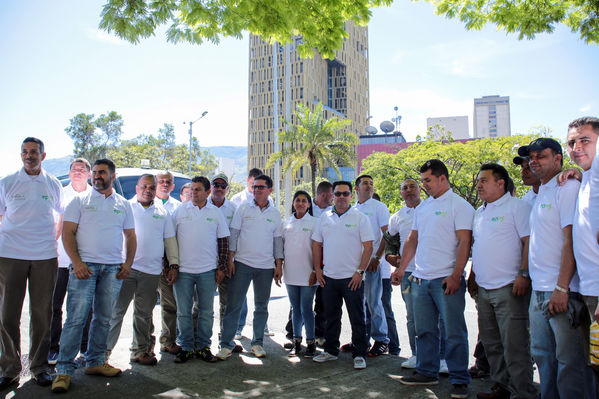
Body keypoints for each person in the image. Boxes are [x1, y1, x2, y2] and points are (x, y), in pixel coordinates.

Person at [52, 159, 136, 393]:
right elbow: (67, 233)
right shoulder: (79, 201)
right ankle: (64, 370)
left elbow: (130, 236)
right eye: (95, 173)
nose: (97, 176)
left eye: (102, 172)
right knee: (76, 319)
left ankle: (96, 361)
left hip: (112, 269)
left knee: (104, 318)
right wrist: (76, 262)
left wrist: (127, 264)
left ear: (113, 175)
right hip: (84, 268)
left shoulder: (123, 204)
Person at [392, 159, 473, 399]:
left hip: (446, 279)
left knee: (454, 332)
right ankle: (427, 371)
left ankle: (459, 378)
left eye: (427, 180)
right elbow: (412, 240)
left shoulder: (460, 206)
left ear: (442, 178)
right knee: (424, 330)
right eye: (423, 180)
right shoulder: (423, 208)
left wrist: (456, 274)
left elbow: (465, 242)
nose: (424, 185)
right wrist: (401, 269)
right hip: (420, 279)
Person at [521, 138, 595, 398]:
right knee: (544, 357)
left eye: (541, 156)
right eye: (531, 156)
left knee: (570, 362)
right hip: (539, 290)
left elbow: (570, 240)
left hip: (563, 292)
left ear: (558, 159)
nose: (534, 161)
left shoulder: (568, 187)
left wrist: (562, 287)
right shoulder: (543, 191)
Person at [0, 137, 63, 389]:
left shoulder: (54, 184)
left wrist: (50, 240)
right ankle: (9, 369)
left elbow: (61, 217)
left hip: (45, 257)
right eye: (25, 152)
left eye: (34, 152)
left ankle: (38, 367)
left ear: (43, 155)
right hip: (10, 256)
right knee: (7, 315)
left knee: (42, 314)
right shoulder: (7, 182)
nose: (29, 156)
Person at [470, 163, 537, 399]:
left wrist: (523, 274)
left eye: (484, 180)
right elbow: (479, 247)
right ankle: (501, 387)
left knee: (515, 346)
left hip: (510, 287)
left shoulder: (518, 207)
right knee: (492, 345)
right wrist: (474, 277)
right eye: (478, 180)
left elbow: (529, 242)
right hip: (485, 290)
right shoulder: (480, 211)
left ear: (500, 183)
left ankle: (523, 393)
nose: (478, 185)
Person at [106, 174, 178, 366]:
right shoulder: (125, 207)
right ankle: (102, 354)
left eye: (151, 187)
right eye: (144, 186)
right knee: (116, 312)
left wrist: (173, 265)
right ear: (137, 188)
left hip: (152, 272)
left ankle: (139, 351)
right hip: (126, 269)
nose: (148, 190)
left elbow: (169, 241)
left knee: (144, 314)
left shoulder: (163, 212)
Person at [216, 174, 283, 360]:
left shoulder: (276, 214)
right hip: (242, 264)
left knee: (261, 306)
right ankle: (226, 344)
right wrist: (230, 260)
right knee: (233, 305)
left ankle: (257, 343)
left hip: (265, 267)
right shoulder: (243, 208)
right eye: (255, 187)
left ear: (269, 190)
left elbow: (278, 241)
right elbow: (234, 235)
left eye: (261, 187)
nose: (257, 190)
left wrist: (279, 265)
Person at [311, 180, 374, 370]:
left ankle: (359, 353)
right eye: (337, 194)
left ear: (351, 195)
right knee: (330, 316)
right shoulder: (324, 217)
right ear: (332, 196)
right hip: (329, 277)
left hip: (352, 278)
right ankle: (331, 351)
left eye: (345, 194)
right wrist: (318, 269)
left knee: (357, 318)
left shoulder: (360, 218)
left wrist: (359, 272)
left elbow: (368, 247)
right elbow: (316, 244)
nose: (341, 197)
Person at [387, 178, 448, 369]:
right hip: (408, 273)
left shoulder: (431, 208)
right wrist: (392, 257)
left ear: (420, 189)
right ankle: (417, 355)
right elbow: (389, 239)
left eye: (413, 186)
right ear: (401, 193)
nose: (409, 190)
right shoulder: (396, 217)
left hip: (433, 271)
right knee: (413, 317)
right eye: (404, 188)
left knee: (439, 317)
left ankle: (443, 357)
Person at [171, 176, 230, 363]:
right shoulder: (180, 211)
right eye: (192, 190)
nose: (193, 193)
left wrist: (221, 267)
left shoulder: (215, 212)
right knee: (183, 311)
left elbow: (223, 241)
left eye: (198, 190)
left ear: (207, 192)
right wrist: (171, 266)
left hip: (208, 271)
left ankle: (204, 346)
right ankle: (186, 347)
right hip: (183, 271)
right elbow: (170, 240)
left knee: (206, 311)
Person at [564, 117, 599, 391]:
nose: (576, 147)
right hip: (587, 290)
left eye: (584, 140)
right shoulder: (587, 176)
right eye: (572, 142)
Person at [48, 158, 93, 366]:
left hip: (86, 262)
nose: (78, 172)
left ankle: (85, 348)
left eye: (82, 169)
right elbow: (53, 225)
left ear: (89, 174)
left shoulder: (95, 196)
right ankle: (52, 348)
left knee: (85, 308)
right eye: (74, 169)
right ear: (69, 172)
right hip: (60, 261)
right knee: (54, 306)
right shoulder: (60, 194)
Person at [341, 175, 390, 357]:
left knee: (373, 303)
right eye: (365, 183)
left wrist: (377, 258)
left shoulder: (379, 207)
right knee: (357, 305)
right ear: (356, 189)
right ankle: (360, 340)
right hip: (354, 266)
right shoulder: (352, 209)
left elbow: (388, 235)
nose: (369, 186)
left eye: (371, 183)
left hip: (371, 265)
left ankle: (381, 339)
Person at [281, 191, 318, 357]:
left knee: (306, 308)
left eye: (305, 201)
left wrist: (316, 270)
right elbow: (280, 248)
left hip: (308, 272)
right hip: (290, 272)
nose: (301, 203)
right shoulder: (285, 223)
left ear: (309, 204)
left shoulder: (315, 222)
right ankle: (296, 342)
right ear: (293, 203)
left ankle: (311, 343)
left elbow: (320, 249)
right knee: (295, 308)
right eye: (298, 200)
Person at [155, 171, 182, 355]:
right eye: (161, 181)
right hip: (147, 263)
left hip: (169, 265)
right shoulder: (144, 203)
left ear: (173, 186)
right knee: (143, 309)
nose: (165, 184)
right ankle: (141, 345)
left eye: (168, 182)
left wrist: (174, 264)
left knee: (170, 304)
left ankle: (168, 340)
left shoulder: (179, 207)